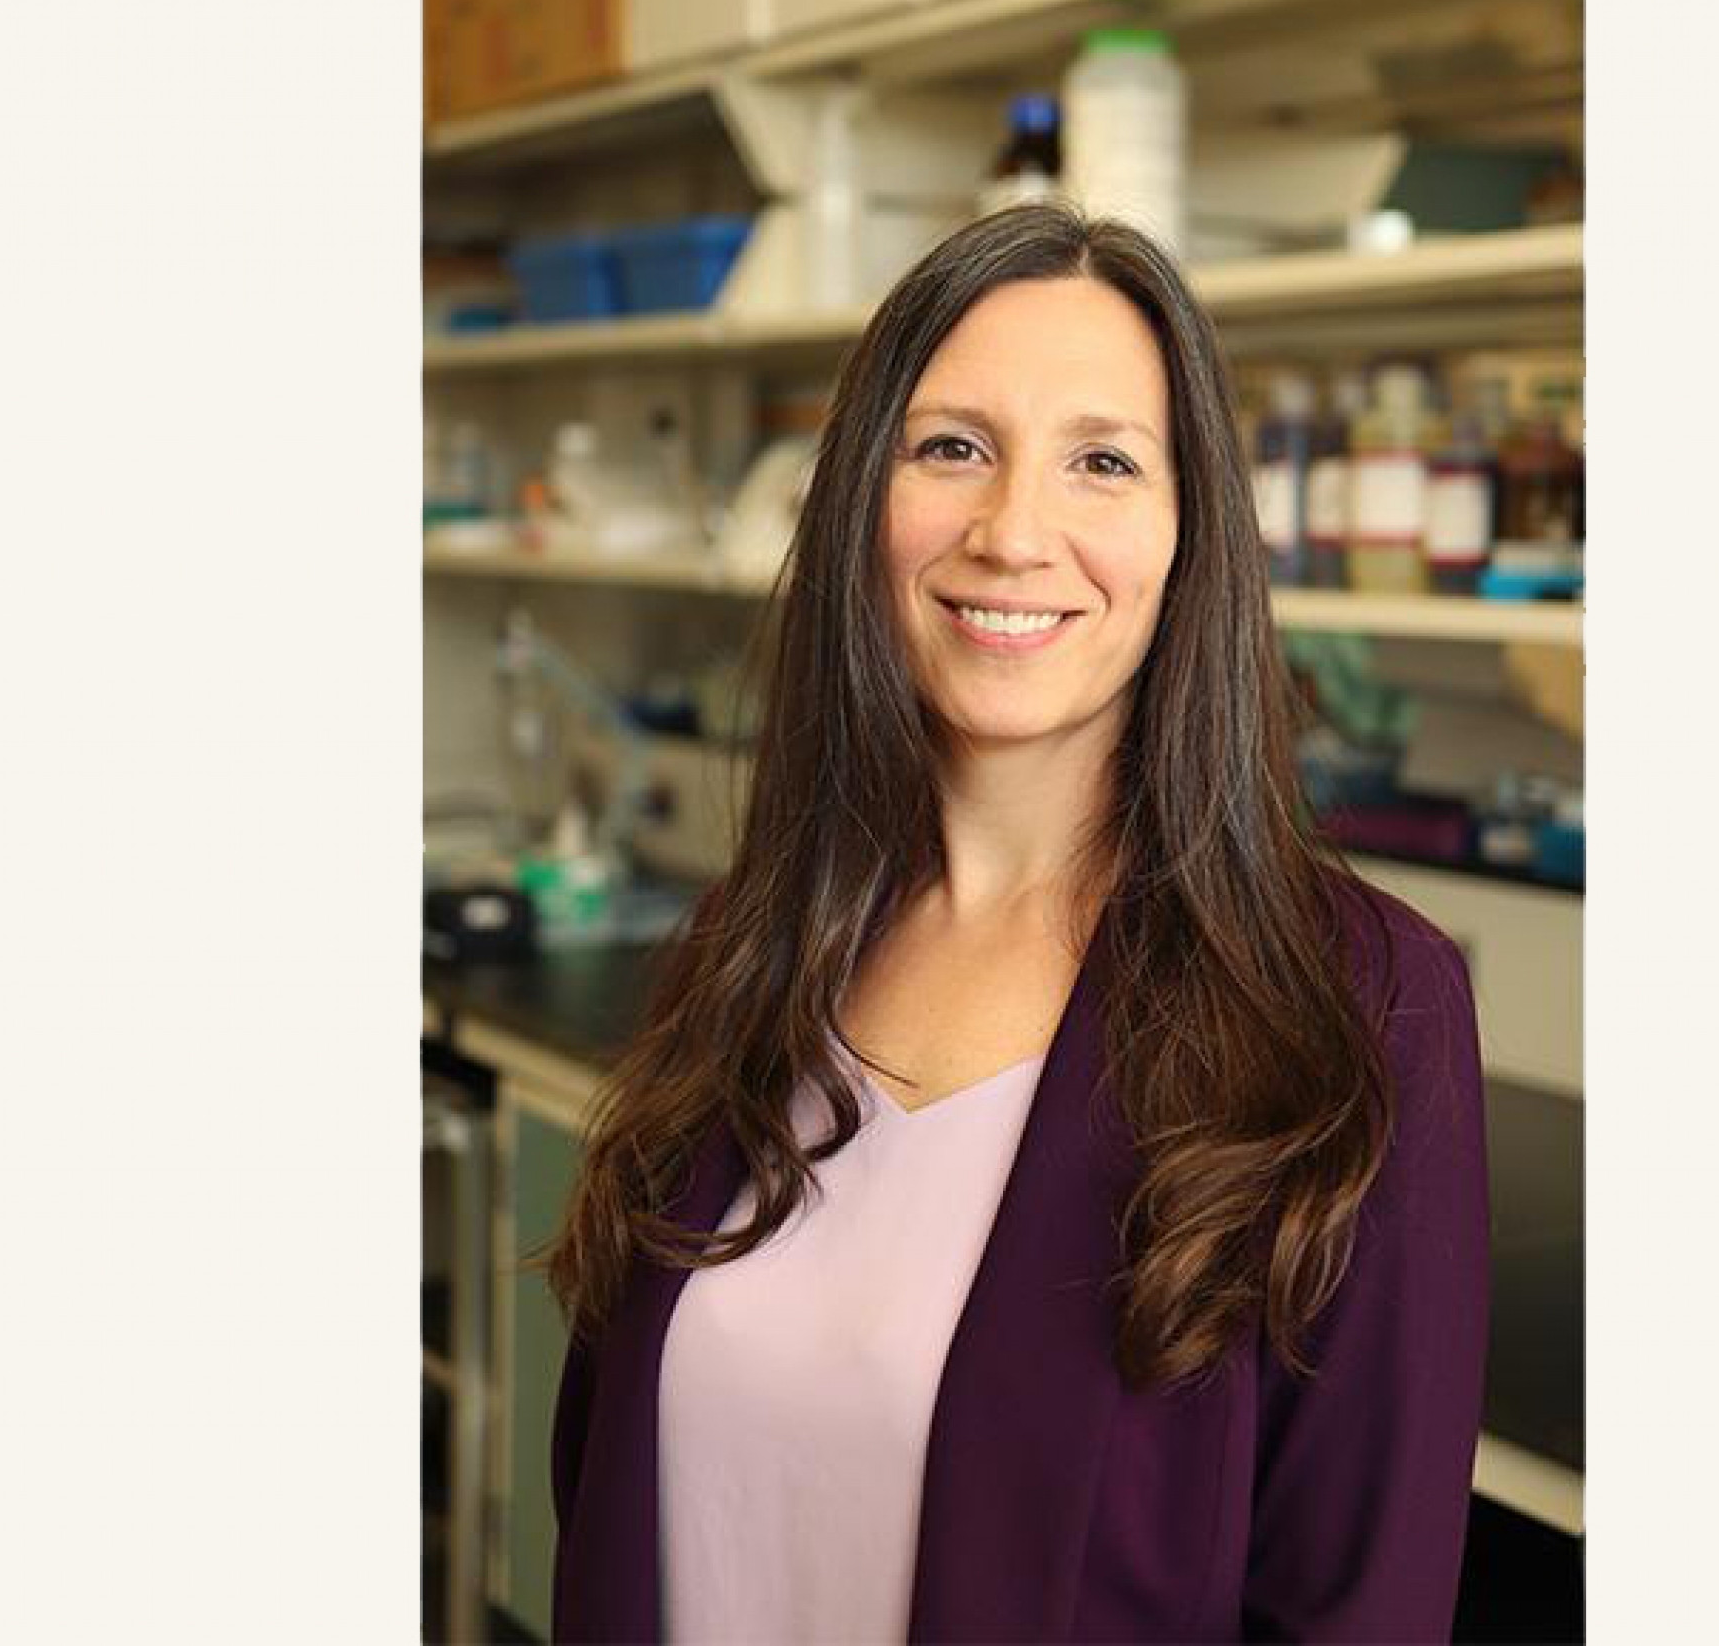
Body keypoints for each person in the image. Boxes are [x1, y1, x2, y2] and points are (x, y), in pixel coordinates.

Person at [540, 203, 1489, 1643]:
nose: (1012, 532)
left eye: (1101, 462)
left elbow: (1360, 1604)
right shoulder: (754, 939)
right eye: (952, 447)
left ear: (1190, 534)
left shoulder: (1361, 998)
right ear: (865, 494)